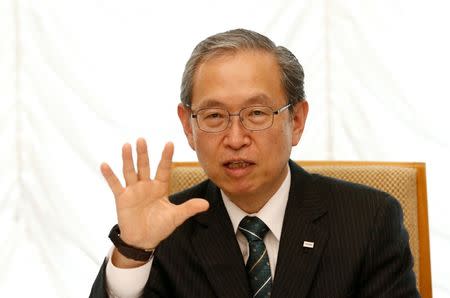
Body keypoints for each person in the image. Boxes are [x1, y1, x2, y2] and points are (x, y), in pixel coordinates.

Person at [90, 28, 419, 297]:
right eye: (214, 116)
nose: (235, 138)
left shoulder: (367, 221)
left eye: (257, 114)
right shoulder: (163, 233)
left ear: (298, 120)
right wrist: (134, 250)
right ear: (188, 126)